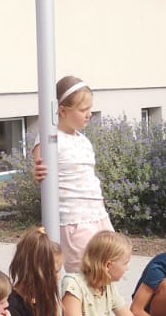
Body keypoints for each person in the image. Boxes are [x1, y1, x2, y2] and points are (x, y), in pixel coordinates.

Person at [29, 75, 112, 272]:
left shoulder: (83, 140)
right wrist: (38, 173)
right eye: (83, 110)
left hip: (98, 215)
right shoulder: (49, 139)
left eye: (90, 109)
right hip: (74, 219)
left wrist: (101, 206)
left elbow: (89, 177)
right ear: (63, 111)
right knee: (85, 273)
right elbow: (41, 170)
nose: (89, 114)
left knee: (109, 266)